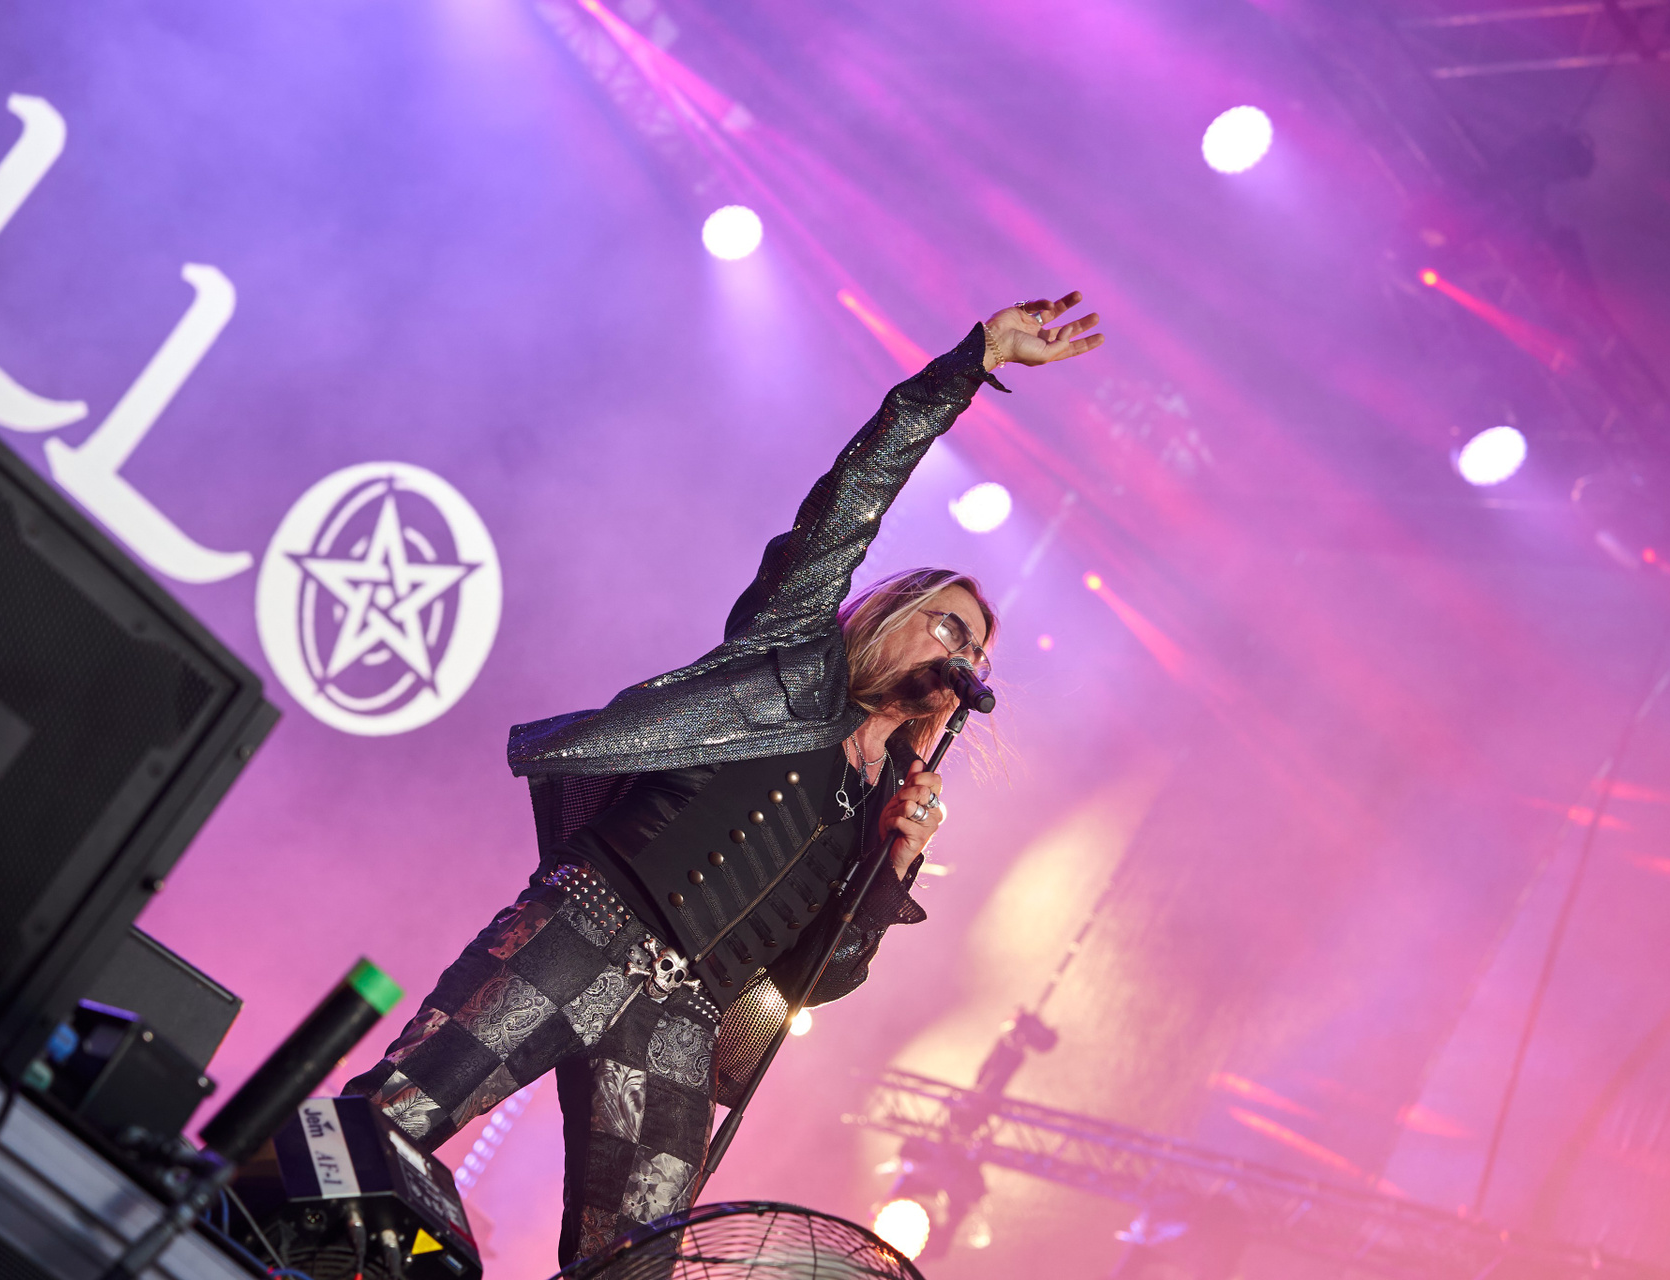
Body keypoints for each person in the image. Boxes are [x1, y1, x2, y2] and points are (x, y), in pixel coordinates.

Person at [344, 292, 1103, 1266]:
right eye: (949, 624)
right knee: (398, 1117)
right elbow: (852, 497)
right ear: (891, 615)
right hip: (591, 926)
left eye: (978, 652)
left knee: (634, 1263)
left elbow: (817, 975)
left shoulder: (884, 805)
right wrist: (971, 363)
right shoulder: (792, 660)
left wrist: (894, 866)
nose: (962, 654)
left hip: (687, 1017)